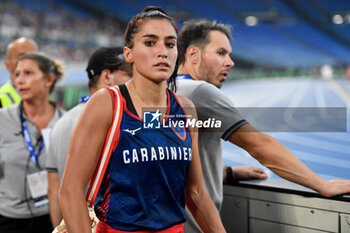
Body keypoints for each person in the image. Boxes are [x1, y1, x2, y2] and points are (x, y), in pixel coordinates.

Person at [59, 7, 226, 233]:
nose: (162, 52)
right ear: (129, 53)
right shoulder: (107, 103)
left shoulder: (185, 109)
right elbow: (70, 190)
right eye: (149, 43)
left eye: (169, 44)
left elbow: (195, 193)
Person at [175, 20, 350, 233]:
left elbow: (176, 164)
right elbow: (260, 147)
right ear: (193, 54)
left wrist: (228, 172)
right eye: (221, 53)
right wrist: (323, 184)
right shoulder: (199, 92)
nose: (230, 62)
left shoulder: (164, 88)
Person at [46, 47, 132, 227]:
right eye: (129, 74)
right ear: (107, 76)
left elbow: (54, 191)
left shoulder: (60, 123)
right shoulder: (120, 121)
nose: (135, 81)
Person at [0, 52, 65, 233]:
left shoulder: (65, 123)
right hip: (8, 220)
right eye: (17, 74)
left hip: (52, 217)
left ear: (49, 80)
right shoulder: (3, 120)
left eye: (28, 73)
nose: (19, 80)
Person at [0, 37, 38, 108]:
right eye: (22, 57)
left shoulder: (43, 101)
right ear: (8, 65)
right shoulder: (1, 99)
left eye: (34, 57)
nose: (29, 61)